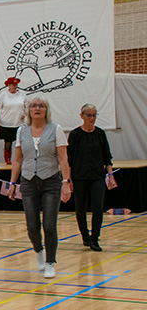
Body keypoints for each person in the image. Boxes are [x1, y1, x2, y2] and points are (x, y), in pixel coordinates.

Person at [8, 95, 71, 278]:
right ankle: (39, 251)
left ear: (46, 110)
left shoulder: (56, 129)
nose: (37, 108)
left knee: (49, 224)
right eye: (34, 106)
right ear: (28, 110)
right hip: (28, 181)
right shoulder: (22, 131)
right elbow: (17, 159)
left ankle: (50, 262)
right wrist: (12, 183)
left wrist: (66, 183)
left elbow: (63, 158)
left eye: (41, 106)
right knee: (32, 226)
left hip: (51, 181)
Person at [68, 103, 116, 252]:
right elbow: (69, 160)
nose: (92, 118)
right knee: (80, 209)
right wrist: (68, 180)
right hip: (79, 177)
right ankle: (85, 236)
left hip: (97, 177)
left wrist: (110, 175)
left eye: (94, 115)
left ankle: (95, 238)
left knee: (97, 207)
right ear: (81, 116)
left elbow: (107, 157)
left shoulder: (100, 134)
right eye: (89, 115)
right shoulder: (75, 134)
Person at [0, 77, 26, 164]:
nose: (15, 86)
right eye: (13, 85)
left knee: (22, 142)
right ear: (8, 85)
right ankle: (8, 159)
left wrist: (25, 113)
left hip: (19, 123)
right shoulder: (3, 95)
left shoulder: (22, 94)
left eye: (16, 85)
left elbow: (27, 106)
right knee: (8, 143)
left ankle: (21, 159)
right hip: (6, 123)